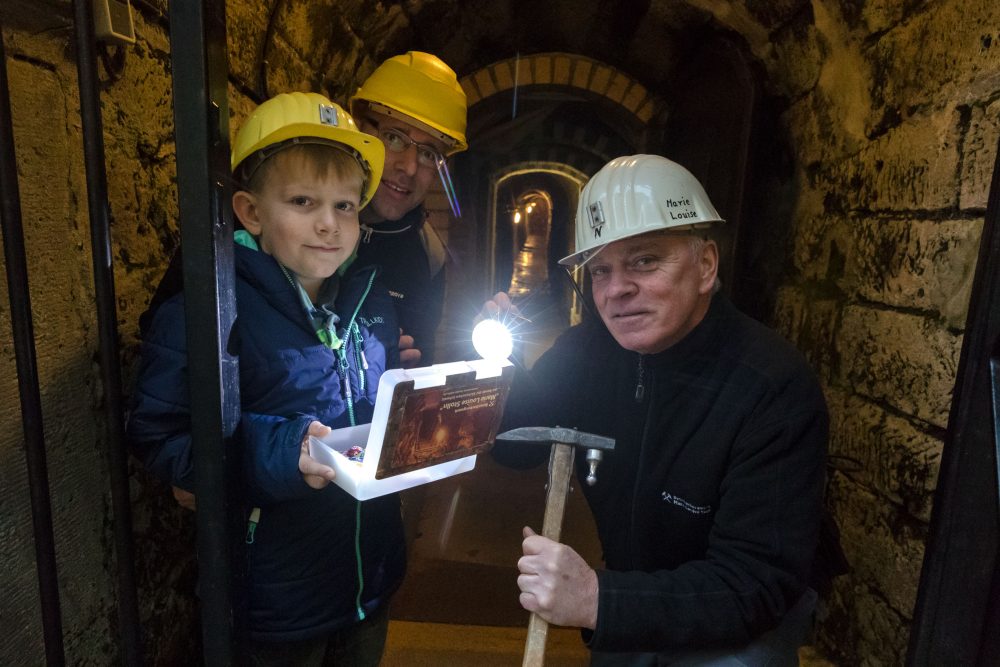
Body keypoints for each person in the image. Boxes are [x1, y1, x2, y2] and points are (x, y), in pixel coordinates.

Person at [488, 154, 829, 665]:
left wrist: (597, 599)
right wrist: (496, 374)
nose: (617, 289)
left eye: (644, 260)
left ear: (706, 266)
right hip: (632, 587)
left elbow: (754, 582)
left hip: (739, 618)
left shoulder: (772, 388)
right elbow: (517, 449)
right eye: (600, 269)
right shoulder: (588, 351)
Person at [127, 92, 404, 666]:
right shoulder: (210, 311)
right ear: (251, 213)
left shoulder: (371, 300)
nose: (329, 224)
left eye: (345, 206)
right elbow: (163, 434)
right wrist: (286, 450)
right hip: (277, 596)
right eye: (303, 201)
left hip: (366, 580)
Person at [348, 51, 468, 366]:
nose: (410, 168)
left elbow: (417, 376)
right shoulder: (298, 223)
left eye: (429, 154)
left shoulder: (429, 256)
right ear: (360, 128)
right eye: (394, 138)